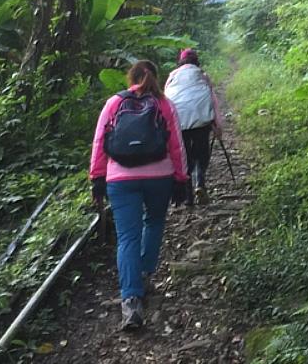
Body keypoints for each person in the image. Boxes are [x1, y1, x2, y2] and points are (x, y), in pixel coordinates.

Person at [89, 60, 188, 330]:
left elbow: (100, 141)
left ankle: (131, 300)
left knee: (127, 237)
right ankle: (144, 274)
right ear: (156, 78)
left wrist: (97, 177)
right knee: (153, 223)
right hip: (159, 177)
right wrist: (181, 178)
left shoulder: (113, 103)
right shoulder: (164, 105)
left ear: (130, 77)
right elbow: (176, 145)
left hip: (121, 179)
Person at [164, 48, 222, 206]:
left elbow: (166, 100)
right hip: (201, 121)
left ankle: (188, 196)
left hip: (179, 121)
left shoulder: (172, 76)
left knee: (185, 157)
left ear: (181, 61)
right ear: (196, 61)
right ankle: (200, 183)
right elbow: (212, 100)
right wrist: (218, 125)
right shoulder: (202, 75)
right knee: (201, 153)